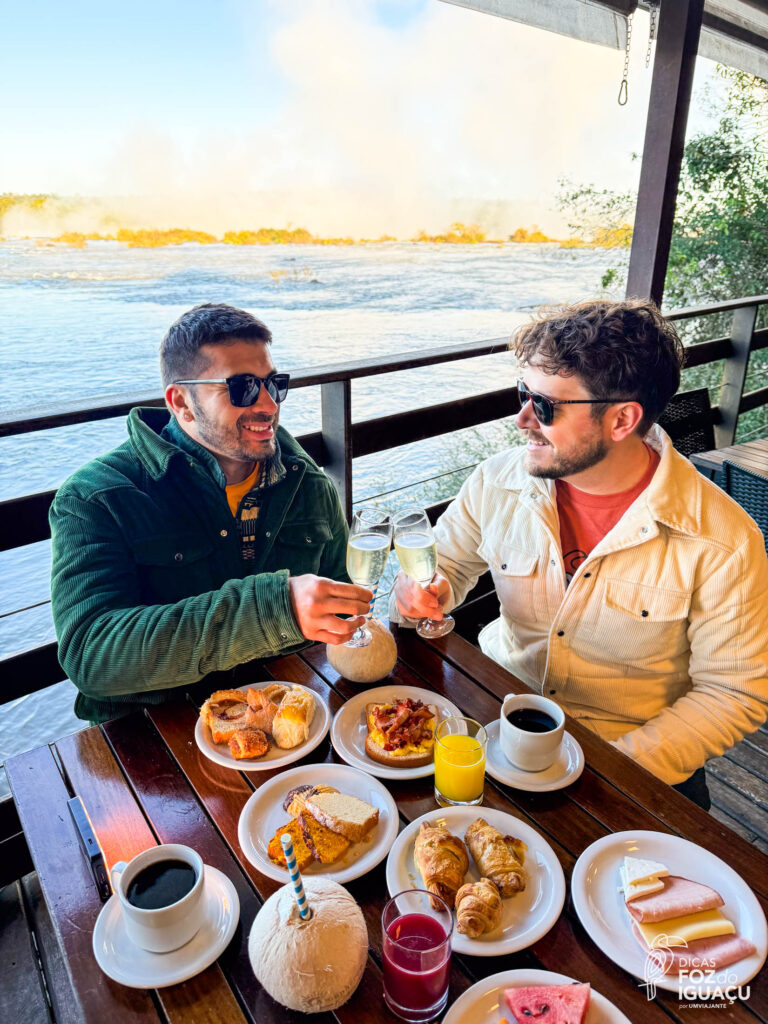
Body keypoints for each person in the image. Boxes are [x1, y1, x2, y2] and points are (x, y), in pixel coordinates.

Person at [393, 299, 768, 807]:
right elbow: (448, 565)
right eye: (523, 393)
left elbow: (733, 691)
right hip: (492, 717)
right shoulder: (496, 481)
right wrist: (423, 590)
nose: (522, 418)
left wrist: (611, 768)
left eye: (545, 406)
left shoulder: (722, 539)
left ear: (622, 419)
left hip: (633, 760)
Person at [50, 303, 371, 723]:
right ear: (181, 402)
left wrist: (400, 607)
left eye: (274, 384)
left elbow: (344, 602)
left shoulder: (306, 483)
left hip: (287, 718)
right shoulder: (96, 498)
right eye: (242, 388)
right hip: (154, 736)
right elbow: (91, 656)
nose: (269, 405)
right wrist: (273, 609)